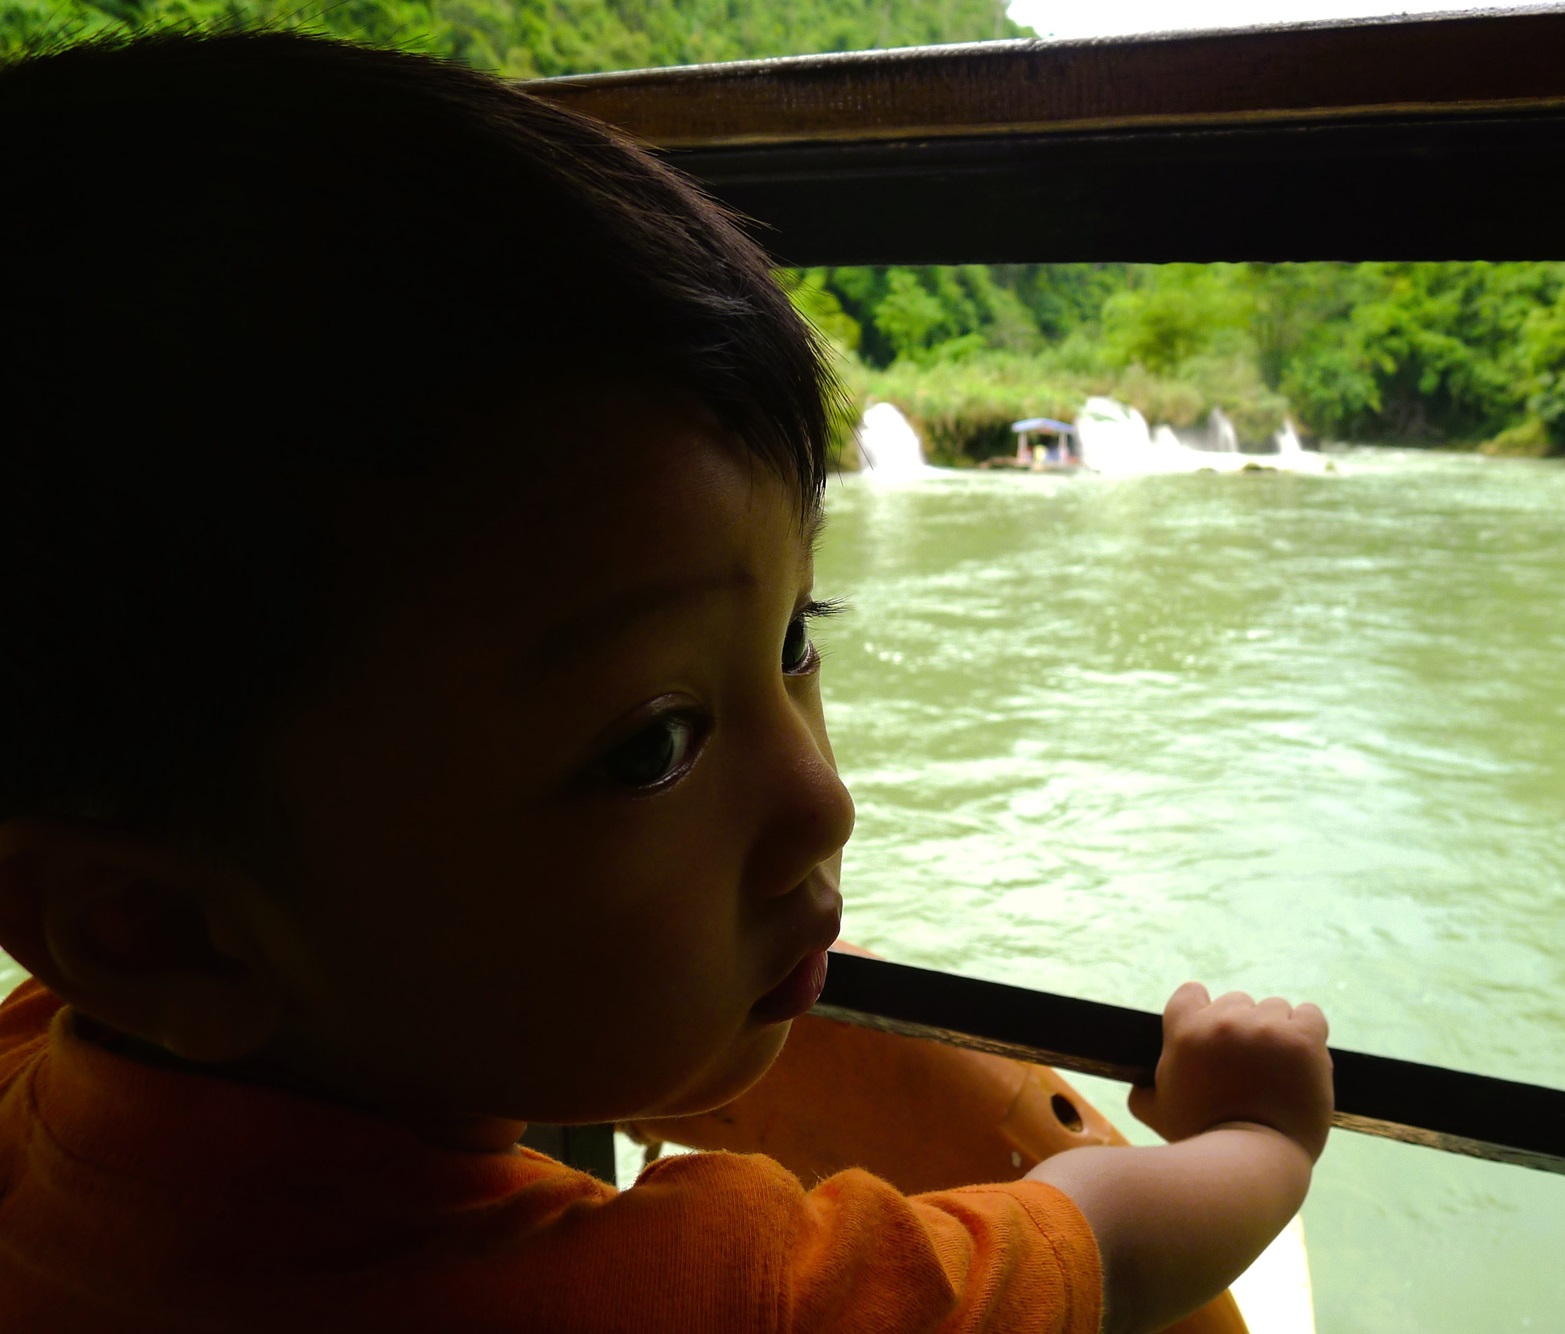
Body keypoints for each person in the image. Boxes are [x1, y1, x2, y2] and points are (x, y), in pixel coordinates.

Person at [0, 29, 1336, 1333]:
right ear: (161, 934)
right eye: (651, 746)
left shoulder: (45, 1077)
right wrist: (1259, 1134)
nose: (827, 802)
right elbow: (1086, 1244)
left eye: (795, 639)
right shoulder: (696, 1291)